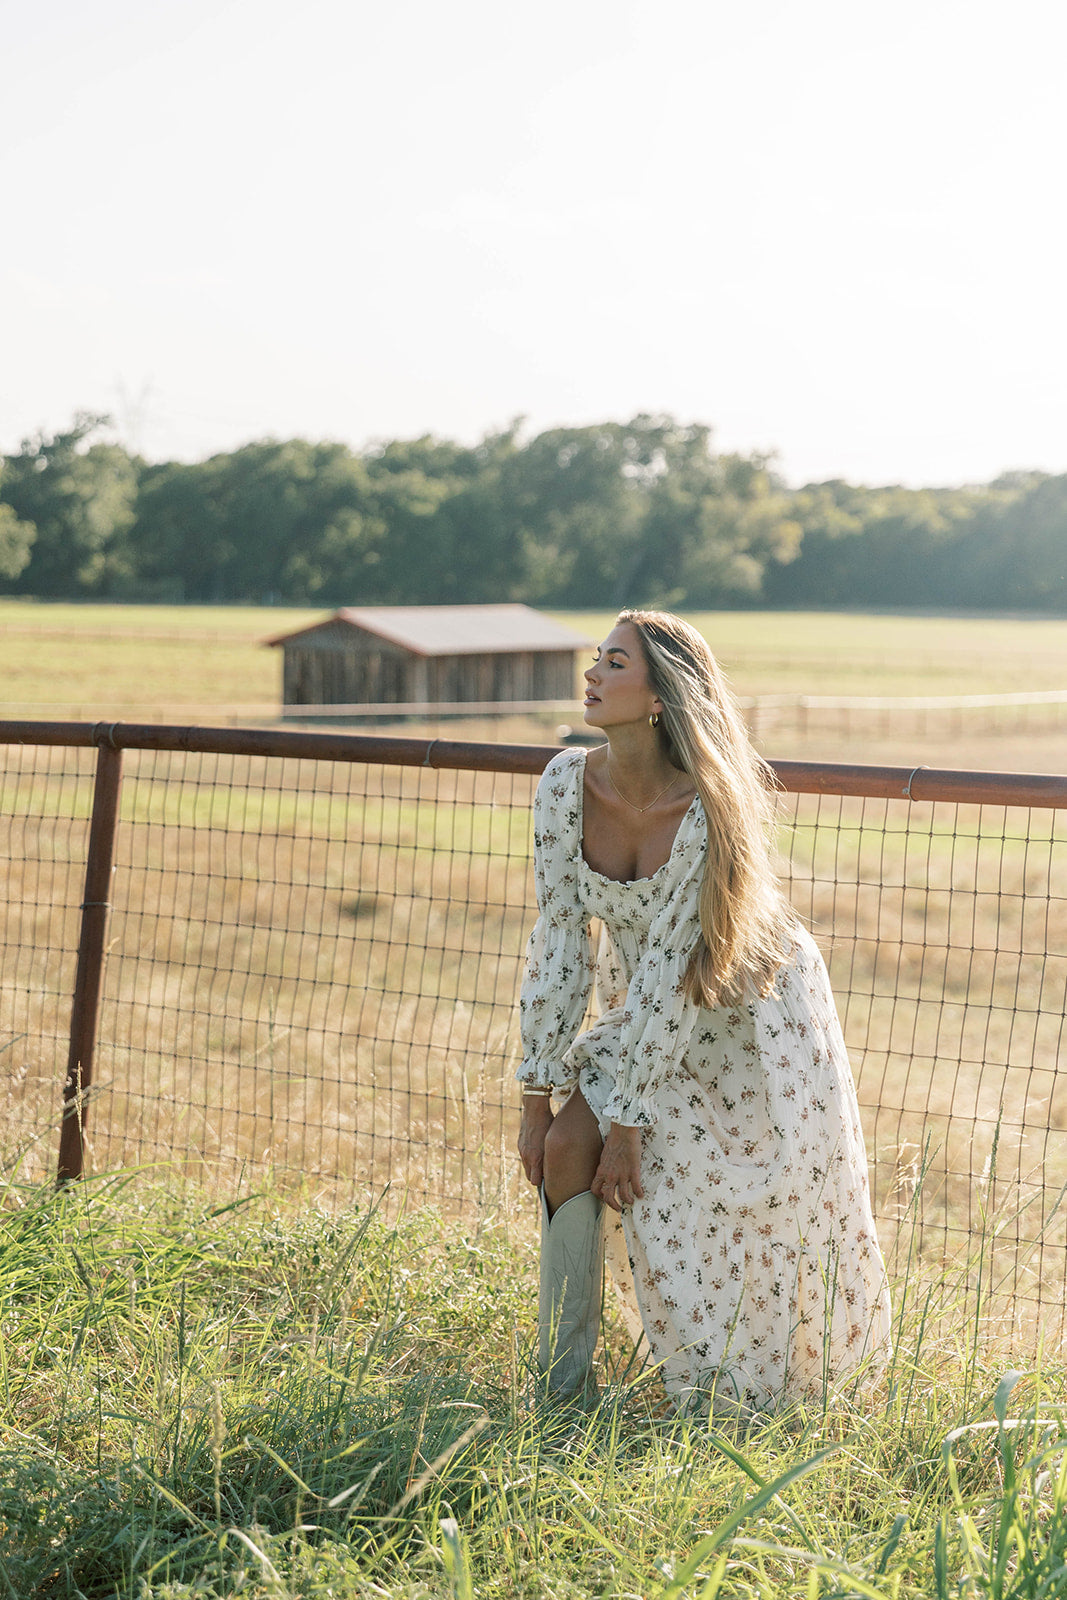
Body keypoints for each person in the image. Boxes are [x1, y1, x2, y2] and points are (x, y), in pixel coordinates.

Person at [516, 609, 891, 1413]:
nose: (590, 675)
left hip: (751, 1014)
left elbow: (674, 967)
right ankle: (558, 1394)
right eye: (596, 659)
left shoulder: (705, 808)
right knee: (561, 1148)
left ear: (659, 695)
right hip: (648, 1014)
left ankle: (746, 1392)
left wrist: (627, 1124)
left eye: (613, 663)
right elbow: (558, 941)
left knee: (754, 1202)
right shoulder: (562, 787)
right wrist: (534, 1098)